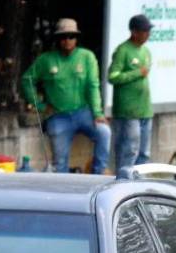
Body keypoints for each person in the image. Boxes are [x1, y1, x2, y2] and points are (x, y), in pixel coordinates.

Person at [21, 19, 110, 174]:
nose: (67, 40)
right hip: (58, 115)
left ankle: (98, 175)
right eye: (63, 37)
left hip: (84, 112)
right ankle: (63, 189)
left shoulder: (86, 56)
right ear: (58, 39)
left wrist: (97, 113)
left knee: (104, 132)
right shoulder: (46, 60)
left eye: (71, 36)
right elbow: (26, 80)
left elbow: (93, 86)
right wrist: (39, 105)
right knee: (60, 161)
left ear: (76, 38)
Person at [108, 14, 154, 177]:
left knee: (144, 153)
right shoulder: (123, 51)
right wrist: (136, 73)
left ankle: (140, 185)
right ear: (134, 32)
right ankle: (123, 183)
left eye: (149, 31)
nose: (148, 34)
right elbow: (112, 76)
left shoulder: (146, 51)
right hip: (128, 111)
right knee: (129, 150)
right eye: (144, 31)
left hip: (145, 109)